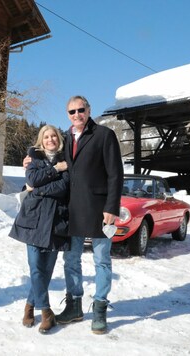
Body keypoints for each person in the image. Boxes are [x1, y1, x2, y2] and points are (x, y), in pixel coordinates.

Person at [23, 95, 123, 334]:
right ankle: (74, 305)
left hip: (100, 211)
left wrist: (112, 207)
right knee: (71, 261)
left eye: (81, 110)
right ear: (67, 115)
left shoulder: (104, 135)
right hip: (73, 211)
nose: (77, 115)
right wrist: (31, 158)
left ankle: (100, 309)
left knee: (101, 261)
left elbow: (115, 174)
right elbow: (50, 157)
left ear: (89, 110)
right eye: (72, 112)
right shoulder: (67, 139)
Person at [9, 125, 71, 334]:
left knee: (46, 272)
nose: (50, 139)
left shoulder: (66, 160)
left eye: (53, 135)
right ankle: (46, 311)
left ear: (58, 139)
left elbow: (63, 188)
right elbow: (32, 180)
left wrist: (39, 189)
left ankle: (29, 306)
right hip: (33, 220)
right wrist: (55, 170)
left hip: (56, 222)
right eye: (46, 137)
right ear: (41, 140)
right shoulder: (34, 158)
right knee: (36, 268)